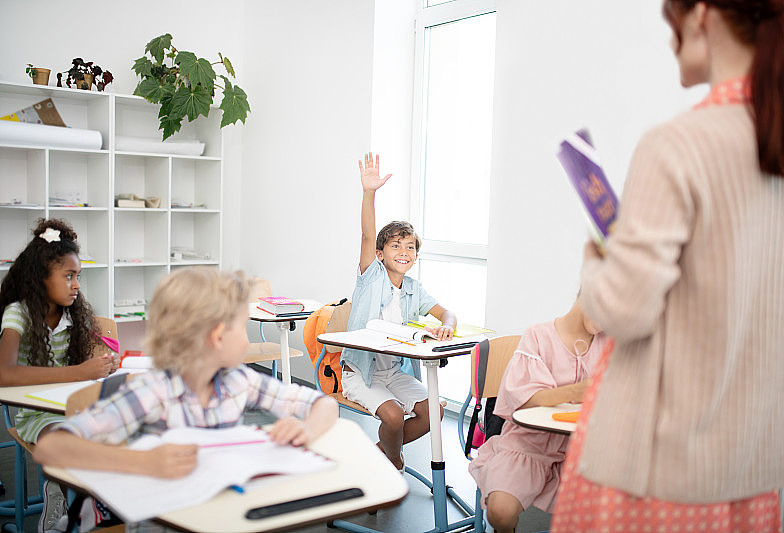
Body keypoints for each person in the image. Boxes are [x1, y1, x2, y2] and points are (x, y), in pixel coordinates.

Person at [551, 1, 784, 531]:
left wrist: (596, 259)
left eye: (672, 25)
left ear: (701, 15)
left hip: (661, 472)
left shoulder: (678, 145)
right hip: (752, 466)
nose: (670, 43)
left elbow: (623, 311)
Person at [33, 267, 339, 532]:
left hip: (218, 516)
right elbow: (51, 447)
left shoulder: (238, 381)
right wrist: (143, 462)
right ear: (218, 337)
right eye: (242, 328)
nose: (248, 340)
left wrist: (307, 430)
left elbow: (325, 404)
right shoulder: (153, 391)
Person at [340, 152, 457, 470]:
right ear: (380, 253)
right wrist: (369, 192)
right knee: (392, 415)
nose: (404, 252)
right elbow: (367, 234)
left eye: (410, 247)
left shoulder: (414, 289)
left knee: (435, 410)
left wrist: (447, 325)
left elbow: (447, 313)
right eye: (395, 246)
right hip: (360, 374)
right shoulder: (370, 276)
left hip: (394, 373)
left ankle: (380, 453)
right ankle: (391, 459)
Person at [0, 218, 118, 532]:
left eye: (77, 276)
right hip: (36, 413)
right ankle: (60, 499)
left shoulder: (73, 314)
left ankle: (90, 508)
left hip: (71, 406)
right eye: (68, 276)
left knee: (114, 435)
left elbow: (89, 359)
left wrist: (105, 363)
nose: (77, 284)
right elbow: (4, 373)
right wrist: (78, 372)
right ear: (41, 278)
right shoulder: (19, 312)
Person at [468, 296, 609, 533]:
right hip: (527, 444)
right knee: (500, 512)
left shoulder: (610, 344)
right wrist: (578, 391)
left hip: (582, 450)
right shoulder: (538, 336)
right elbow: (525, 399)